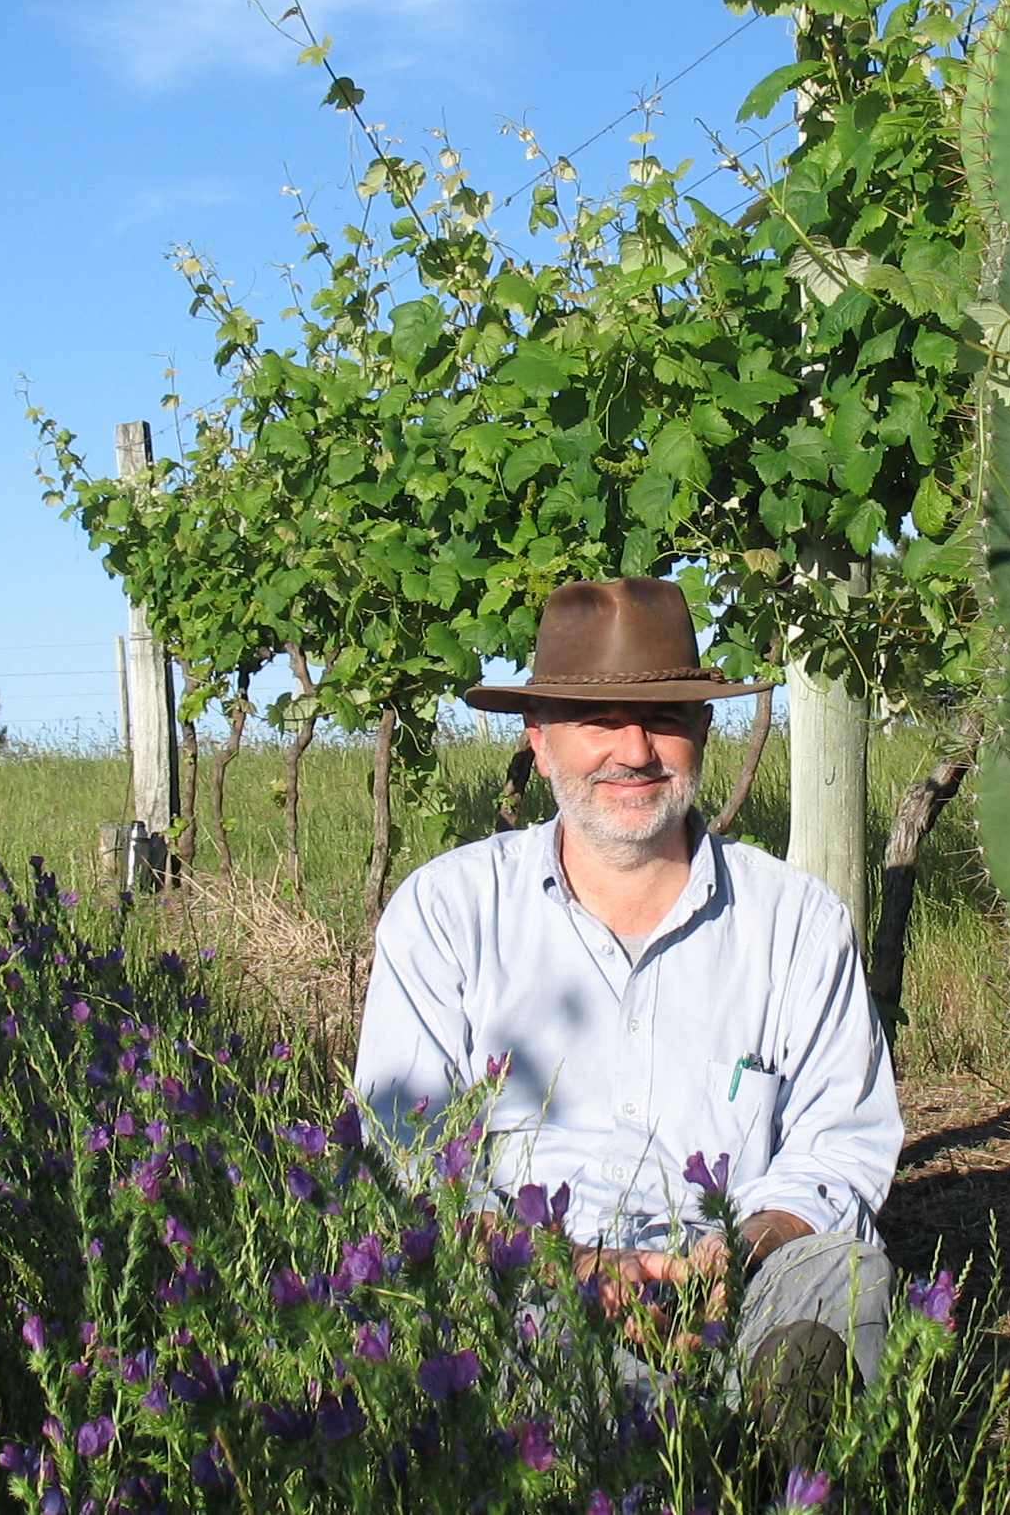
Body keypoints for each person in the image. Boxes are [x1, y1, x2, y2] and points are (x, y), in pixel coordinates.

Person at [351, 576, 902, 1448]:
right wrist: (561, 1264)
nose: (636, 751)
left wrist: (743, 1248)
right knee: (466, 1313)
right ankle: (648, 1442)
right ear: (539, 742)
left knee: (845, 1275)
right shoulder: (448, 913)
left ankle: (778, 1446)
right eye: (599, 721)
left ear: (704, 733)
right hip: (524, 1275)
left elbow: (841, 1143)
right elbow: (405, 1158)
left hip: (739, 1277)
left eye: (666, 721)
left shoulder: (797, 922)